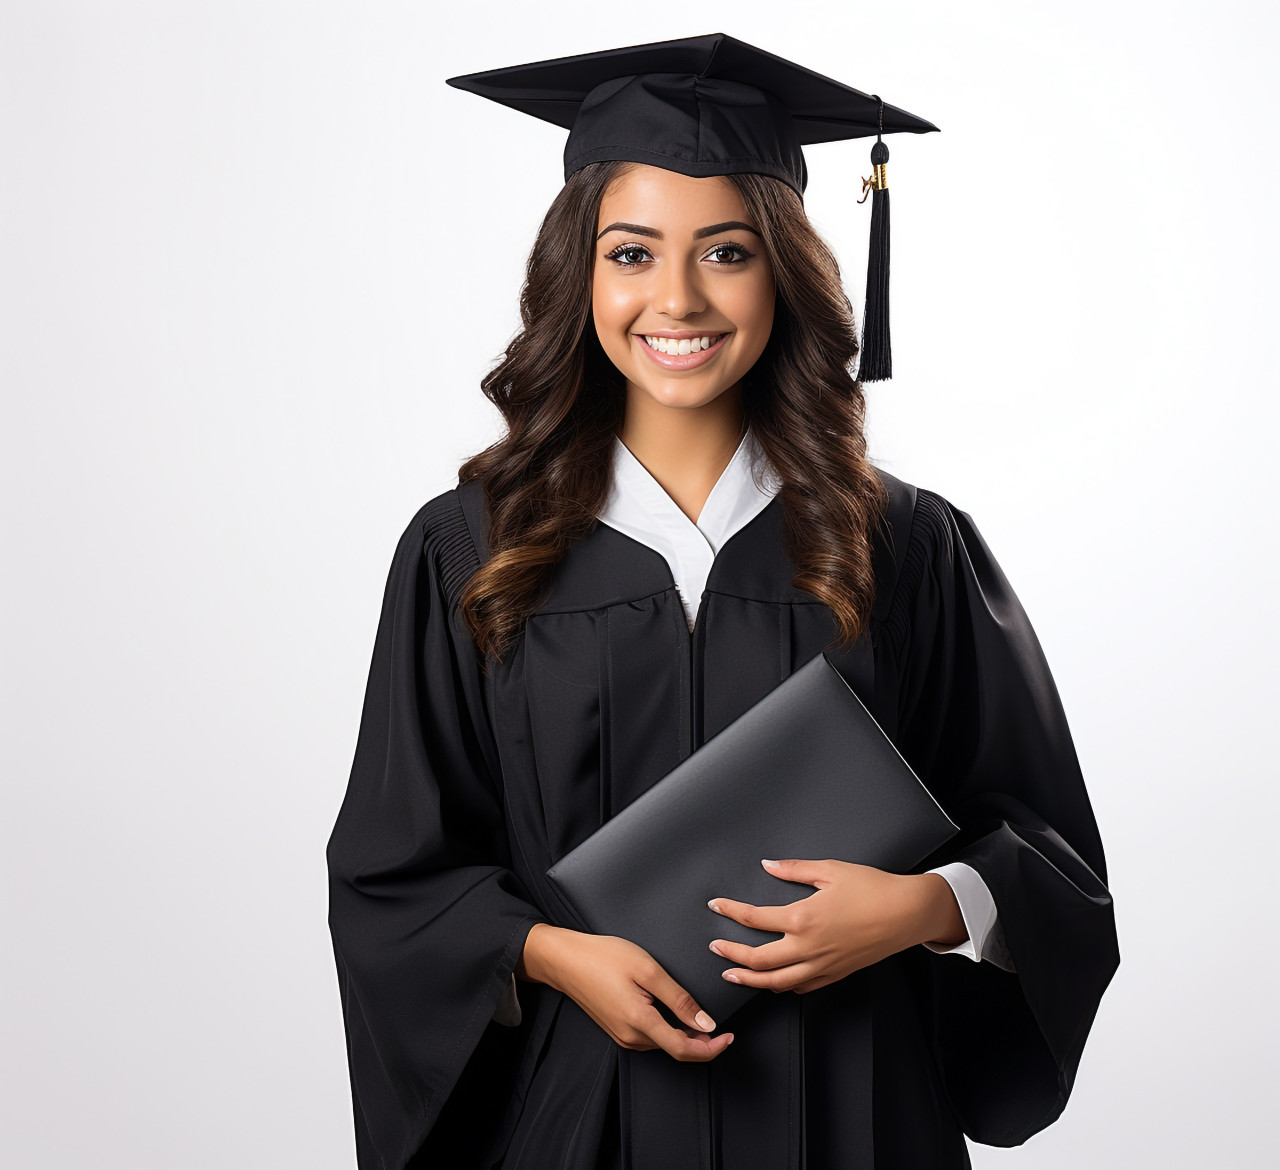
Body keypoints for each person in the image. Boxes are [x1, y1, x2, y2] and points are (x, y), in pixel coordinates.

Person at [325, 33, 1120, 1170]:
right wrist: (551, 953)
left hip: (855, 1114)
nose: (677, 299)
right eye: (632, 253)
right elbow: (392, 875)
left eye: (726, 252)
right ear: (579, 277)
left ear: (780, 272)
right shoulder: (469, 550)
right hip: (584, 1118)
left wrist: (921, 909)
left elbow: (1050, 854)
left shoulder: (903, 543)